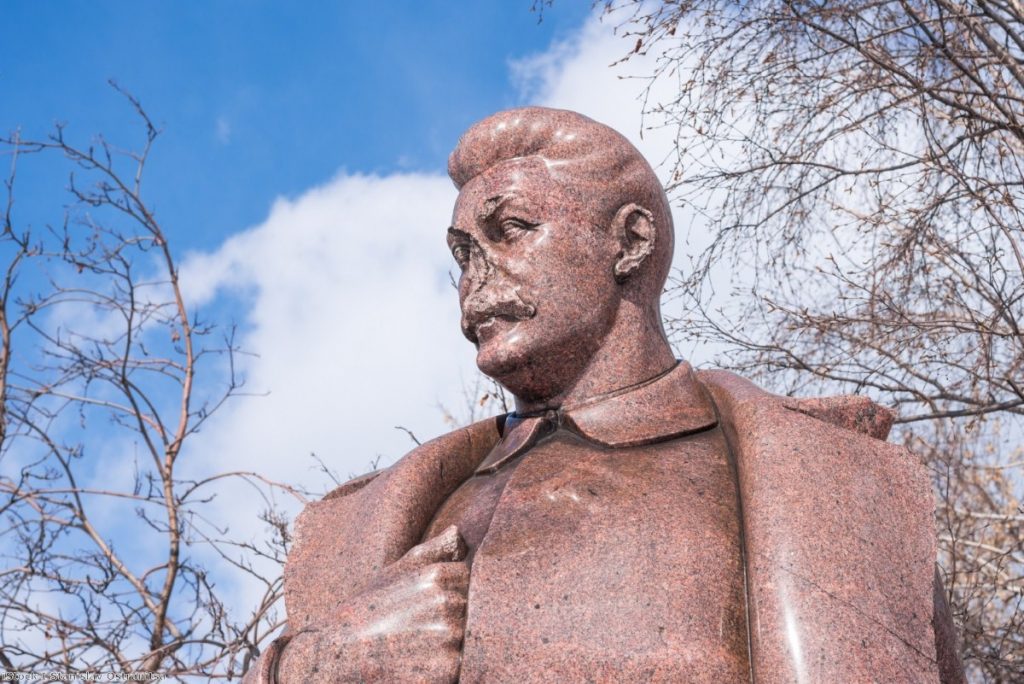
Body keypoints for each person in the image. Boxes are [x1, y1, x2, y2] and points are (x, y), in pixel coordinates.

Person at [245, 107, 963, 683]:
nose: (474, 277)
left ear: (630, 242)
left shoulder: (827, 481)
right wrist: (302, 668)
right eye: (463, 253)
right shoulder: (393, 511)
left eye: (511, 231)